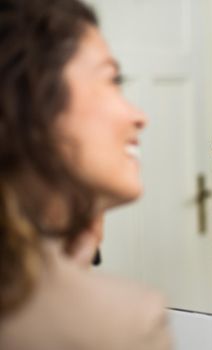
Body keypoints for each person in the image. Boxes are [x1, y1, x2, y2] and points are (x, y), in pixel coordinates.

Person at [0, 0, 171, 348]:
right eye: (112, 80)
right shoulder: (126, 323)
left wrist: (69, 270)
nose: (139, 116)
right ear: (33, 103)